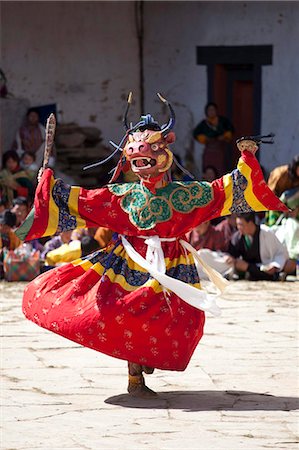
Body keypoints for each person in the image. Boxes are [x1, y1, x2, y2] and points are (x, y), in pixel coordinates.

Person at [16, 97, 288, 398]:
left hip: (174, 266)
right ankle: (135, 376)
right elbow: (82, 201)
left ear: (164, 155)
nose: (142, 164)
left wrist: (247, 158)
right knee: (127, 312)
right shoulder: (122, 195)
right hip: (131, 263)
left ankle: (146, 359)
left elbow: (227, 190)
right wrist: (49, 186)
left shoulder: (186, 194)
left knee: (184, 322)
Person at [228, 212, 295, 281]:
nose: (238, 228)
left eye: (241, 225)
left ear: (250, 223)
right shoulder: (237, 237)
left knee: (290, 264)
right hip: (249, 268)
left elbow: (280, 252)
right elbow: (232, 255)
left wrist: (275, 265)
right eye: (237, 225)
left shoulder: (266, 232)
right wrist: (231, 259)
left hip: (266, 267)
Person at [193, 102, 234, 176]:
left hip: (220, 151)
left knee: (220, 170)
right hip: (209, 151)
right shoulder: (203, 124)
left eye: (213, 110)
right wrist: (206, 139)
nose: (211, 112)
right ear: (206, 112)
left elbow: (230, 131)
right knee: (208, 170)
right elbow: (196, 134)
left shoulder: (223, 121)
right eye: (209, 110)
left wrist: (224, 137)